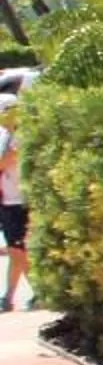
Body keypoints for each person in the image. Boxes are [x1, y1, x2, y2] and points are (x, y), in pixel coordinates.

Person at [0, 92, 27, 312]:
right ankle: (8, 297)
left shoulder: (22, 136)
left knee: (18, 250)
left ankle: (41, 291)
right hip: (8, 201)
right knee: (16, 250)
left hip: (22, 200)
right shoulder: (4, 136)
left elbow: (6, 160)